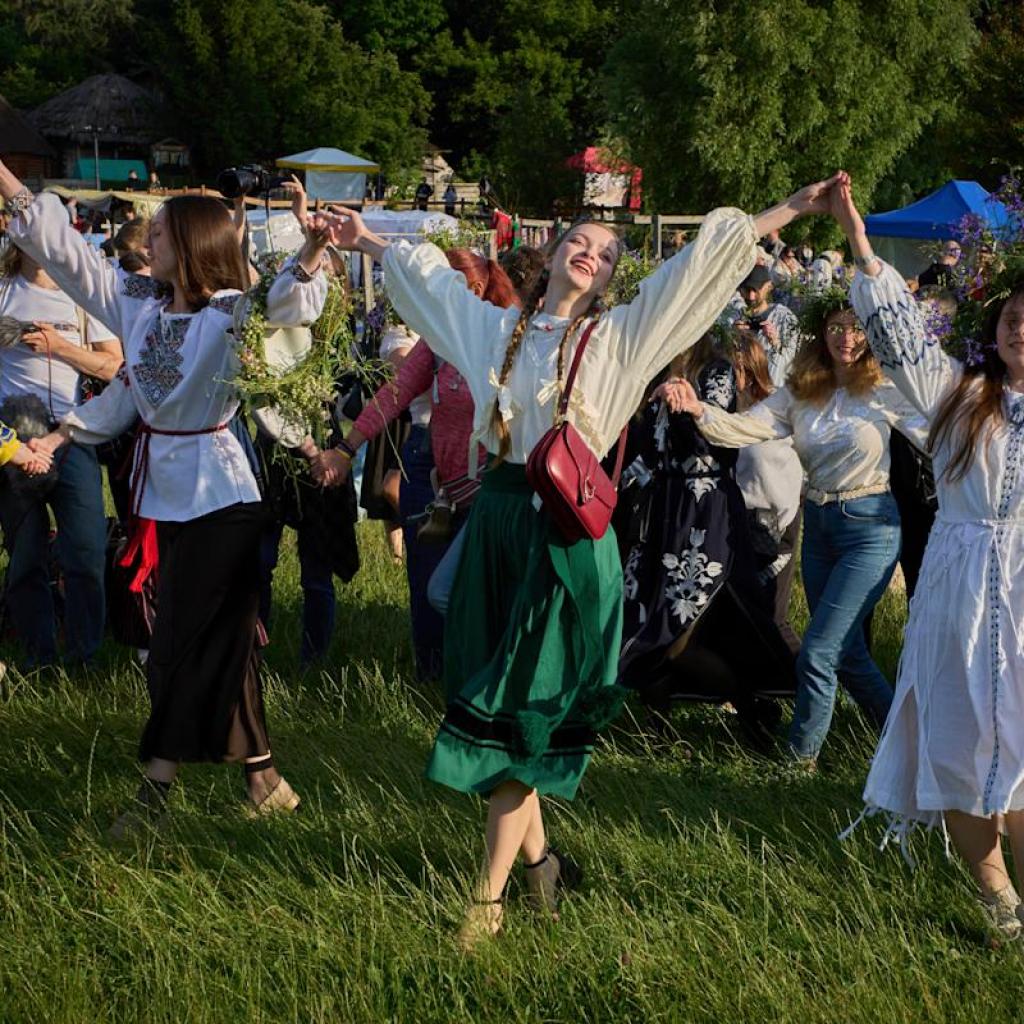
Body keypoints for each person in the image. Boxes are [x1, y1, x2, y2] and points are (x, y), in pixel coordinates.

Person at [314, 173, 843, 945]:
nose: (590, 253)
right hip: (498, 525)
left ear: (608, 277)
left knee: (520, 710)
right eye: (579, 241)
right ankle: (543, 867)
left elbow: (698, 264)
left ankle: (485, 903)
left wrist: (792, 208)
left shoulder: (620, 337)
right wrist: (363, 239)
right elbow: (432, 287)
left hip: (563, 534)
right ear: (556, 252)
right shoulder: (497, 331)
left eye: (605, 251)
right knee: (494, 708)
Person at [0, 157, 331, 831]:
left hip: (224, 499)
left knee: (180, 642)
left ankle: (154, 794)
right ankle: (264, 780)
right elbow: (69, 259)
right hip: (160, 496)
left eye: (159, 233)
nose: (146, 241)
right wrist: (8, 184)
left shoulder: (230, 314)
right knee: (223, 644)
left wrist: (312, 250)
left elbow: (284, 304)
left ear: (191, 244)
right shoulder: (141, 306)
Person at [832, 173, 1024, 941]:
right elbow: (901, 336)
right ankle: (997, 895)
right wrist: (859, 243)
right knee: (957, 736)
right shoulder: (957, 394)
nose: (1022, 329)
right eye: (1013, 318)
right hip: (959, 584)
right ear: (995, 328)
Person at [669, 283, 928, 765]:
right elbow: (748, 426)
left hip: (870, 527)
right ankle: (908, 743)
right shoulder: (802, 391)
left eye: (856, 328)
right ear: (820, 333)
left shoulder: (886, 389)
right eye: (836, 327)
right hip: (820, 528)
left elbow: (940, 435)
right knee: (848, 654)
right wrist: (699, 408)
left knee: (820, 651)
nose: (846, 337)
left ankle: (799, 760)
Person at [313, 250, 520, 680]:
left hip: (490, 486)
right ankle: (431, 678)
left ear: (473, 289)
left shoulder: (507, 338)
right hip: (436, 479)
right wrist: (346, 449)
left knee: (470, 590)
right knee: (427, 585)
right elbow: (397, 392)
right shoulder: (438, 340)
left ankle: (484, 678)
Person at [617, 333, 795, 735]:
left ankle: (752, 707)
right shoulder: (650, 367)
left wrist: (683, 407)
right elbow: (642, 449)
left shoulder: (716, 370)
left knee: (679, 630)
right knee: (642, 617)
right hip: (660, 510)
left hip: (705, 511)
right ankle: (656, 731)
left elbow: (713, 441)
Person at [0, 239, 123, 666]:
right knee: (25, 555)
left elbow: (115, 366)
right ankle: (38, 658)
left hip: (72, 435)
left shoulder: (83, 295)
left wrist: (62, 346)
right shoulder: (4, 289)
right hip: (17, 438)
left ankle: (84, 657)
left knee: (86, 551)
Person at [729, 264, 801, 387]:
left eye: (756, 290)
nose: (751, 296)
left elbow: (793, 362)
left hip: (773, 391)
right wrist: (733, 337)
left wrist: (775, 343)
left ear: (769, 286)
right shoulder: (735, 316)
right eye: (747, 290)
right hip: (744, 390)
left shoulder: (784, 318)